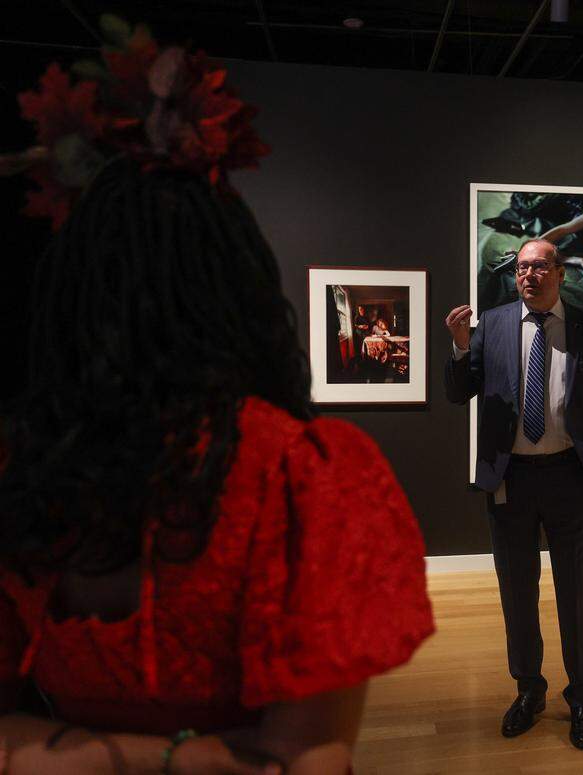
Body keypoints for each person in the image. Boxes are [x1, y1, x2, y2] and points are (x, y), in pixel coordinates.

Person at [0, 36, 433, 774]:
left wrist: (74, 756)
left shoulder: (31, 468)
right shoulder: (295, 475)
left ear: (70, 295)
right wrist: (191, 756)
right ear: (239, 287)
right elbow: (303, 759)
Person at [443, 239, 583, 751]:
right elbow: (459, 392)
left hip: (571, 478)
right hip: (511, 479)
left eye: (539, 266)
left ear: (560, 274)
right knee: (517, 592)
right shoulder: (494, 325)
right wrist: (460, 346)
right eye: (522, 267)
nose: (528, 275)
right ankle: (529, 690)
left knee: (579, 594)